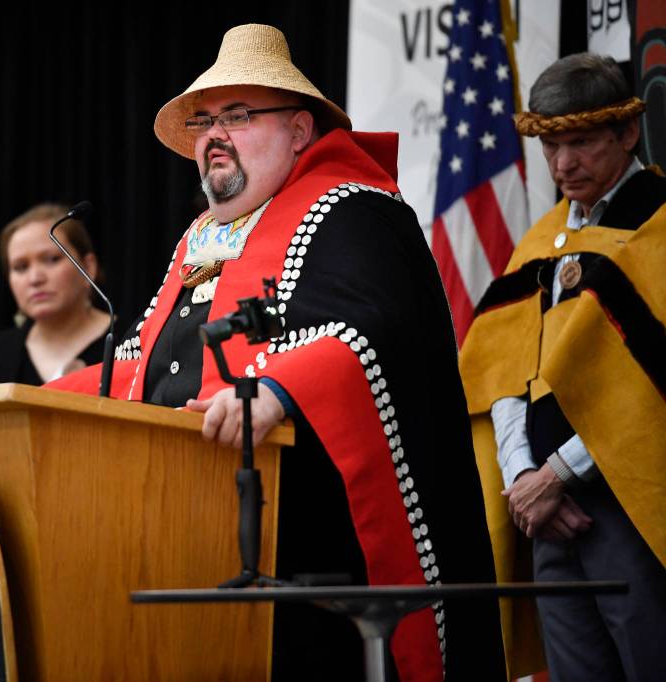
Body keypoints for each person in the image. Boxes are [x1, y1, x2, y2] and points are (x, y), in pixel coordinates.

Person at [51, 24, 504, 680]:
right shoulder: (203, 238)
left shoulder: (355, 209)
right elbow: (149, 358)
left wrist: (276, 387)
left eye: (238, 115)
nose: (214, 134)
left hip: (310, 539)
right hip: (186, 518)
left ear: (298, 131)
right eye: (205, 121)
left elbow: (373, 328)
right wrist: (41, 405)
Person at [460, 53, 666, 681]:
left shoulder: (659, 227)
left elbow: (649, 385)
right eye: (551, 147)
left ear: (626, 134)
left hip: (631, 508)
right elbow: (502, 371)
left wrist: (559, 475)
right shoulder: (537, 238)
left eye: (580, 143)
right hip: (544, 518)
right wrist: (525, 476)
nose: (563, 165)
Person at [0, 203, 112, 386]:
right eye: (20, 267)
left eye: (51, 259)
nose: (35, 279)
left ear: (88, 267)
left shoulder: (131, 343)